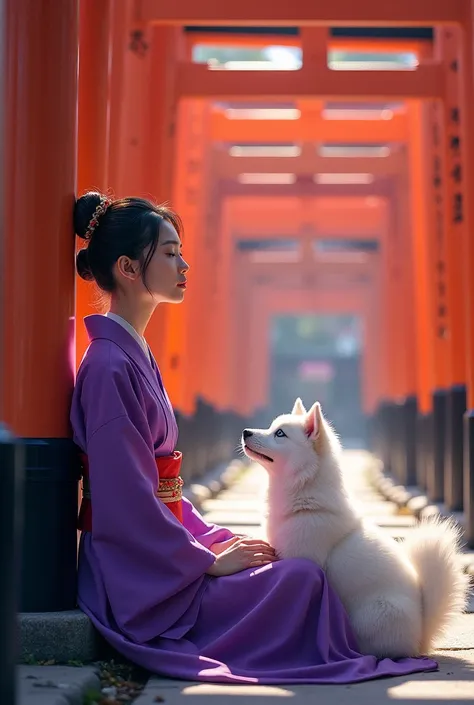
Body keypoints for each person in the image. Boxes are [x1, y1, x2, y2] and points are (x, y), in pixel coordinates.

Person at [71, 191, 437, 684]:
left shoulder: (128, 356)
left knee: (286, 569)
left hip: (159, 553)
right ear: (129, 268)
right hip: (137, 580)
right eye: (170, 252)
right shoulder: (110, 366)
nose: (184, 264)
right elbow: (126, 501)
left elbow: (164, 493)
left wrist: (212, 540)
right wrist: (204, 561)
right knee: (301, 577)